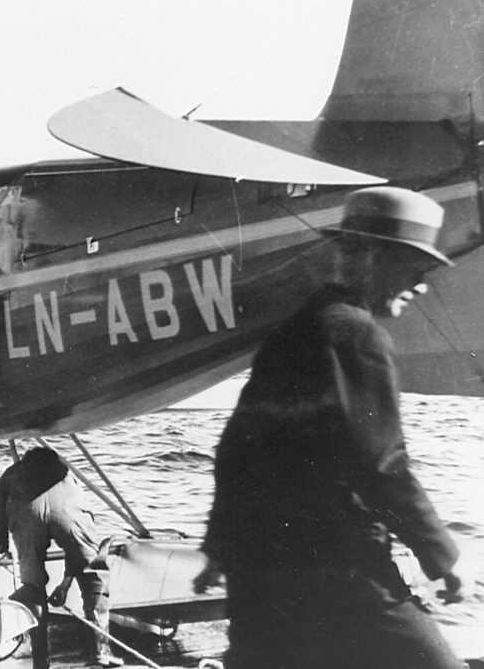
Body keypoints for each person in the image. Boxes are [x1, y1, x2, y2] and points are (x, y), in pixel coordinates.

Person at [193, 186, 465, 669]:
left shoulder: (296, 330)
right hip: (341, 575)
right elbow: (381, 464)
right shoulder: (356, 334)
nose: (422, 284)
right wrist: (438, 554)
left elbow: (235, 450)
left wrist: (220, 547)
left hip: (261, 578)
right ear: (374, 257)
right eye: (417, 267)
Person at [0, 446, 122, 668]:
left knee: (32, 586)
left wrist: (0, 544)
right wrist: (67, 581)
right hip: (67, 509)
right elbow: (79, 543)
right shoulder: (66, 474)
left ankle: (40, 660)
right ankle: (100, 652)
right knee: (92, 576)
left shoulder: (10, 474)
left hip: (27, 514)